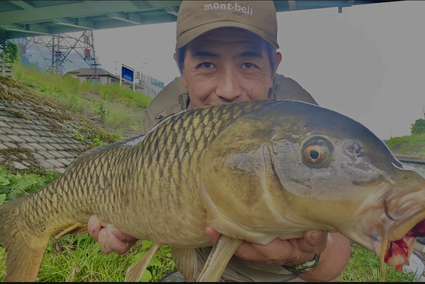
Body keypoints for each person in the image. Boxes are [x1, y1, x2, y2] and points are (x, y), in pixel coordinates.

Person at [88, 1, 351, 281]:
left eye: (248, 64)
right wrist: (129, 224)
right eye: (206, 64)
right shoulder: (164, 117)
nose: (229, 91)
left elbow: (336, 256)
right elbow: (135, 192)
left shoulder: (304, 127)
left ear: (273, 67)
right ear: (182, 68)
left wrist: (304, 257)